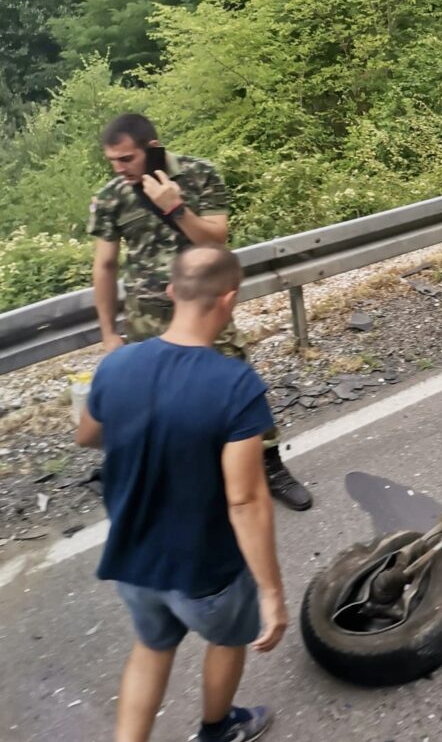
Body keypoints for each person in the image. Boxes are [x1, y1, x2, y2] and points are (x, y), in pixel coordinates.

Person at [75, 247, 288, 742]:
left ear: (172, 292)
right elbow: (245, 501)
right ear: (229, 299)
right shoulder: (236, 386)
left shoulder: (117, 364)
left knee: (150, 651)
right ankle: (218, 730)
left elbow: (87, 435)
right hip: (205, 572)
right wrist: (272, 592)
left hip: (133, 561)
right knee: (227, 641)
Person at [88, 112, 311, 511]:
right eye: (112, 161)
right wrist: (108, 332)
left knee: (237, 383)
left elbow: (217, 242)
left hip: (207, 308)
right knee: (156, 401)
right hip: (147, 319)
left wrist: (175, 208)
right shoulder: (111, 196)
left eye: (126, 159)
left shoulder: (200, 174)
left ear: (152, 149)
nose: (119, 168)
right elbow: (104, 266)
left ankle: (269, 464)